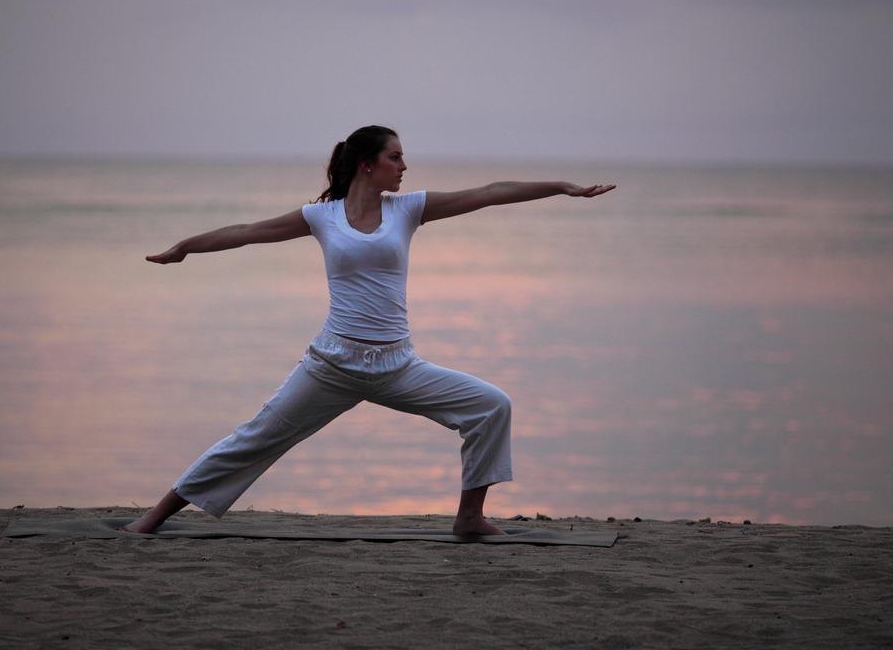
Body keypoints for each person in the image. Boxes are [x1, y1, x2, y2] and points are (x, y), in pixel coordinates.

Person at [123, 125, 615, 536]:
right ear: (367, 165)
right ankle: (152, 520)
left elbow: (486, 195)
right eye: (395, 157)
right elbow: (247, 232)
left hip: (398, 365)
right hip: (332, 365)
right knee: (255, 438)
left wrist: (561, 187)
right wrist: (185, 246)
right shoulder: (322, 216)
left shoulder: (408, 209)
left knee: (491, 406)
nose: (404, 167)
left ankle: (469, 518)